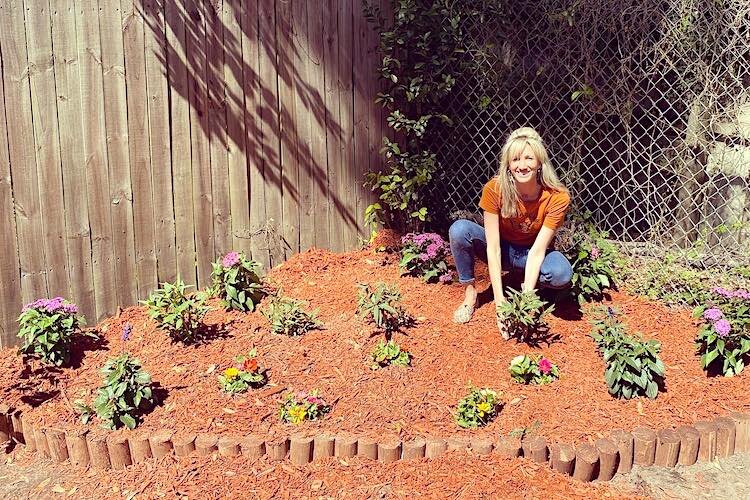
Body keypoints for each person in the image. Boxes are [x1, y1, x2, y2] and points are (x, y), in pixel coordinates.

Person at [448, 126, 573, 339]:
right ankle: (471, 294)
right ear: (507, 164)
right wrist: (500, 305)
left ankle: (528, 287)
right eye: (515, 160)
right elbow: (493, 248)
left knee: (561, 273)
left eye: (528, 159)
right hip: (503, 249)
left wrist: (524, 306)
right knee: (460, 230)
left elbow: (537, 251)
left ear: (540, 163)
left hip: (529, 254)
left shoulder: (557, 197)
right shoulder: (494, 189)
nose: (522, 166)